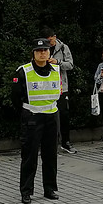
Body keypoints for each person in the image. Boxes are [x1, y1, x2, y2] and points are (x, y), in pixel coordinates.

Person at [12, 38, 62, 203]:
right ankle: (26, 191)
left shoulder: (56, 69)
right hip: (32, 117)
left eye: (46, 51)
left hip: (52, 116)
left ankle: (50, 189)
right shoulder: (23, 71)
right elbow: (15, 97)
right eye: (39, 51)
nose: (43, 53)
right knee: (29, 156)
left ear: (49, 53)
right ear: (33, 54)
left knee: (50, 156)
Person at [44, 26, 76, 154]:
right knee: (47, 116)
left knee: (64, 115)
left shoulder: (63, 47)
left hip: (61, 86)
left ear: (54, 37)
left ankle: (66, 142)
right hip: (45, 87)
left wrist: (57, 62)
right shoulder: (41, 49)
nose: (49, 43)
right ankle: (48, 143)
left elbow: (70, 65)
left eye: (50, 40)